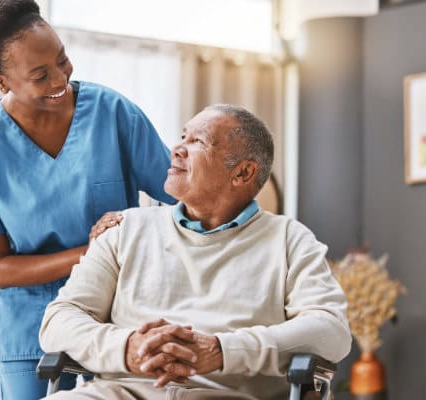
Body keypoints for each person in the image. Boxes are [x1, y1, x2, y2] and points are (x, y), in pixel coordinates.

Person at [0, 0, 175, 398]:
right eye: (40, 75)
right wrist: (95, 249)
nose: (60, 78)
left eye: (63, 60)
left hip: (118, 315)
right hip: (30, 324)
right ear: (0, 81)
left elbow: (182, 195)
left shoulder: (112, 112)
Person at [39, 104, 352, 400]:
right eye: (182, 137)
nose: (177, 149)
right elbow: (59, 320)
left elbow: (331, 329)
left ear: (242, 173)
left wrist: (222, 350)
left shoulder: (289, 239)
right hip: (121, 392)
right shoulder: (125, 229)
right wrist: (127, 348)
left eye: (198, 142)